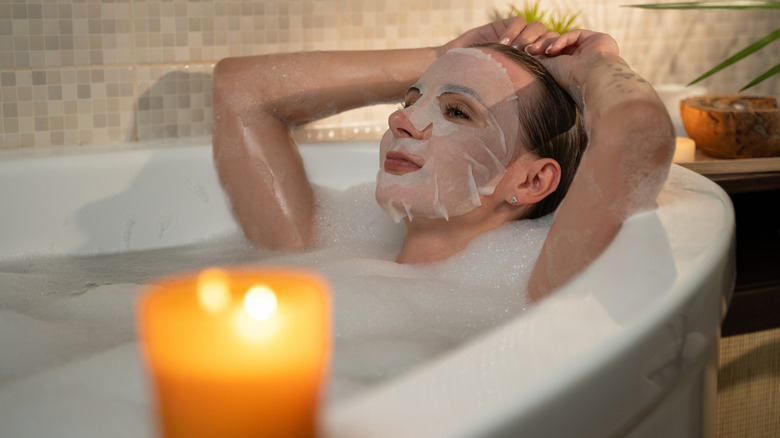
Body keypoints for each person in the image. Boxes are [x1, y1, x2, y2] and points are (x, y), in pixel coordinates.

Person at [211, 17, 674, 301]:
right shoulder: (310, 252)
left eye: (457, 111)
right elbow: (239, 90)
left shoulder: (534, 290)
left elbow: (638, 134)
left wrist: (593, 67)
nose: (402, 121)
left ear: (532, 183)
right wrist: (441, 56)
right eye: (411, 99)